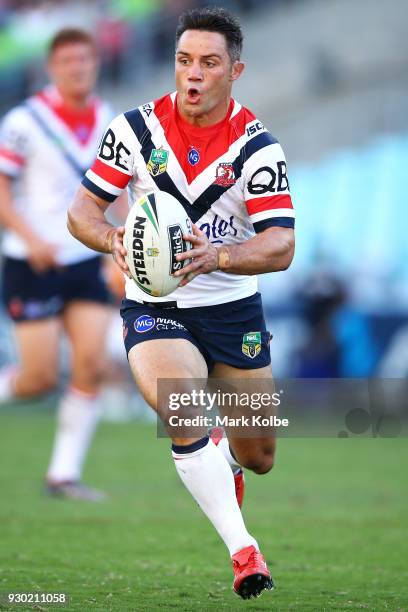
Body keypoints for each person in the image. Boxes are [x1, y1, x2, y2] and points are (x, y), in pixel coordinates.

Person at [68, 7, 295, 599]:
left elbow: (281, 244)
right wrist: (113, 238)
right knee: (183, 408)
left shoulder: (257, 148)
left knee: (261, 454)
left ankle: (227, 459)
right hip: (155, 305)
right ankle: (244, 553)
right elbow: (81, 212)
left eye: (209, 63)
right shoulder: (134, 132)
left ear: (235, 70)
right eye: (183, 60)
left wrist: (216, 257)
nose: (192, 74)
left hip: (233, 310)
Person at [0, 28, 116, 501]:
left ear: (95, 64)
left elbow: (122, 188)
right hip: (33, 261)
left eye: (85, 60)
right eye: (68, 61)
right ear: (52, 68)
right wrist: (31, 238)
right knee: (39, 378)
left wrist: (121, 247)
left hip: (84, 255)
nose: (77, 68)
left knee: (92, 362)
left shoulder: (109, 118)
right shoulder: (24, 121)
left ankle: (63, 475)